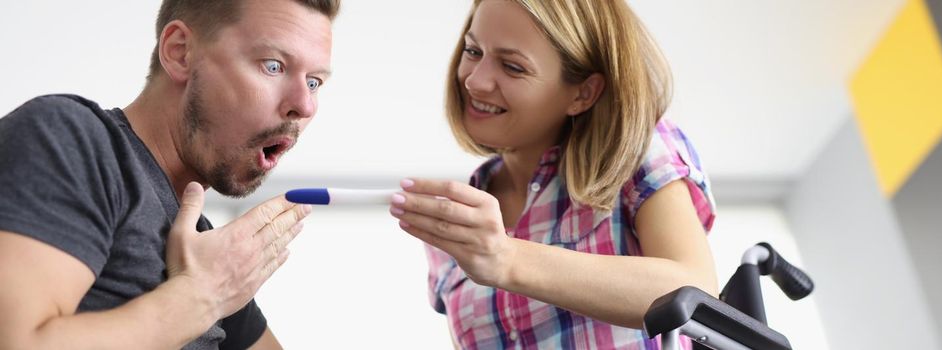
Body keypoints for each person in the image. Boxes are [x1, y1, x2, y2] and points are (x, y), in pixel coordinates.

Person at [0, 0, 339, 348]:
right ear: (180, 52)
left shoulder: (205, 250)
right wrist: (201, 297)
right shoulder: (70, 138)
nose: (305, 105)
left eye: (314, 83)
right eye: (273, 66)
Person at [388, 0, 718, 348]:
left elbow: (694, 293)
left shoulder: (633, 153)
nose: (475, 80)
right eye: (473, 50)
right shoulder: (460, 216)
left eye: (513, 67)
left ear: (583, 93)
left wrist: (506, 258)